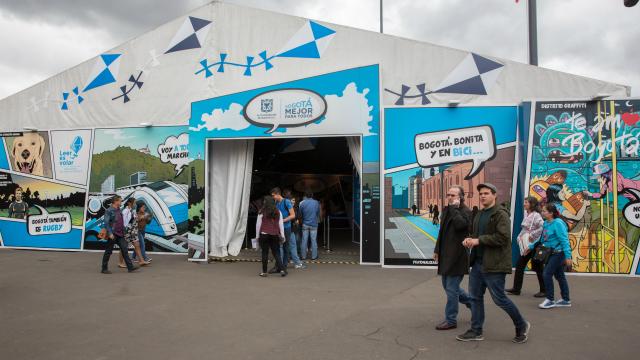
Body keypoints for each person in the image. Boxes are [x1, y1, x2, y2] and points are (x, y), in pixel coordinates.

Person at [457, 183, 530, 344]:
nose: (483, 196)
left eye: (486, 193)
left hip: (494, 265)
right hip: (478, 264)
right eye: (481, 193)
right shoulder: (480, 214)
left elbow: (502, 238)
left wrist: (478, 240)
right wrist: (470, 240)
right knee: (475, 298)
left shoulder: (500, 214)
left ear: (494, 195)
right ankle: (476, 330)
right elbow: (477, 235)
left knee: (500, 299)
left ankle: (522, 324)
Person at [433, 186, 472, 330]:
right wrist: (437, 250)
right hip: (445, 255)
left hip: (458, 256)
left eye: (453, 195)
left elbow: (461, 225)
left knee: (451, 289)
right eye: (448, 194)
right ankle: (473, 303)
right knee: (449, 287)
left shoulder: (466, 212)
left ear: (461, 197)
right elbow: (442, 232)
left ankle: (451, 320)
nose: (449, 197)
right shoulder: (446, 210)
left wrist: (454, 209)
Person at [530, 203, 572, 309]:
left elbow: (564, 240)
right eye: (542, 211)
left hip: (558, 253)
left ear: (551, 213)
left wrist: (568, 256)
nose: (542, 212)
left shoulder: (558, 223)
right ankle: (566, 300)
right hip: (550, 253)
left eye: (544, 211)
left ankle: (550, 299)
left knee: (546, 274)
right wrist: (530, 247)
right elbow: (542, 238)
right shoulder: (546, 223)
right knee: (559, 276)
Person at [506, 197, 545, 297]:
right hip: (528, 245)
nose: (524, 204)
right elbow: (525, 229)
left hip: (535, 245)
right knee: (520, 265)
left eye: (526, 202)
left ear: (532, 204)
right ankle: (516, 289)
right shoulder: (528, 214)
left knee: (538, 267)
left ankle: (544, 290)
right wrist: (519, 237)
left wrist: (532, 235)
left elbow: (542, 227)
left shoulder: (536, 215)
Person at [270, 187, 305, 271]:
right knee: (279, 247)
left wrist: (283, 220)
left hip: (287, 228)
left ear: (278, 194)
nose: (273, 197)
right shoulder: (276, 202)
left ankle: (283, 266)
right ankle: (279, 265)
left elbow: (293, 215)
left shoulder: (287, 202)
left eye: (273, 195)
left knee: (285, 247)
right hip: (279, 228)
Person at [101, 196, 139, 274]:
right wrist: (110, 233)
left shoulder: (119, 210)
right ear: (115, 201)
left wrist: (123, 231)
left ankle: (130, 267)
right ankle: (104, 269)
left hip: (120, 234)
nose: (121, 202)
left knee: (124, 249)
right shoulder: (109, 211)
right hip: (113, 234)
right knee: (108, 251)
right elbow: (106, 223)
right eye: (120, 201)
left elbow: (121, 221)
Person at [256, 196, 287, 277]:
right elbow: (281, 225)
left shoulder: (261, 211)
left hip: (264, 234)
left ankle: (264, 272)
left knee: (265, 253)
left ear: (265, 202)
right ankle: (282, 270)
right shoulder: (278, 211)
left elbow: (258, 225)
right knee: (277, 252)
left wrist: (257, 236)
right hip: (275, 234)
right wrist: (283, 236)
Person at [119, 197, 149, 268]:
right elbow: (124, 222)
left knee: (137, 245)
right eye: (134, 202)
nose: (135, 204)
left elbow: (135, 219)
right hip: (127, 231)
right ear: (129, 203)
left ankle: (141, 261)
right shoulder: (126, 211)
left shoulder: (133, 210)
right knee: (124, 247)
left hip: (133, 231)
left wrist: (141, 218)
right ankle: (120, 262)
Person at [299, 190, 321, 260]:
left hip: (305, 223)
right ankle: (314, 256)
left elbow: (300, 214)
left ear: (305, 195)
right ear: (312, 195)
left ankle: (303, 256)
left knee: (304, 240)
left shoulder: (302, 203)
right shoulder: (316, 203)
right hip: (314, 224)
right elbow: (318, 213)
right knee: (313, 240)